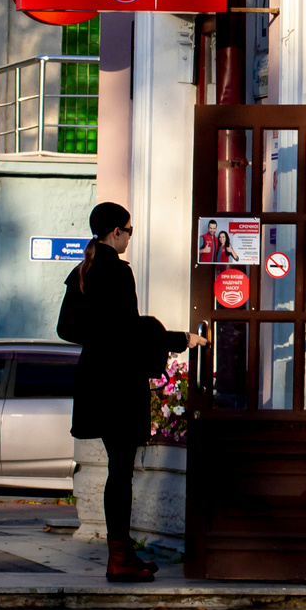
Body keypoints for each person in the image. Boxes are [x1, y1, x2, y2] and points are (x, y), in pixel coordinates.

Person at [61, 201, 204, 583]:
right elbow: (128, 330)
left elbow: (66, 328)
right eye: (128, 231)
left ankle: (122, 553)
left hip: (94, 379)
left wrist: (100, 337)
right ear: (115, 233)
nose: (129, 238)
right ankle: (120, 556)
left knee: (117, 469)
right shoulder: (118, 272)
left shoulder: (84, 271)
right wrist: (177, 338)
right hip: (119, 383)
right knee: (121, 471)